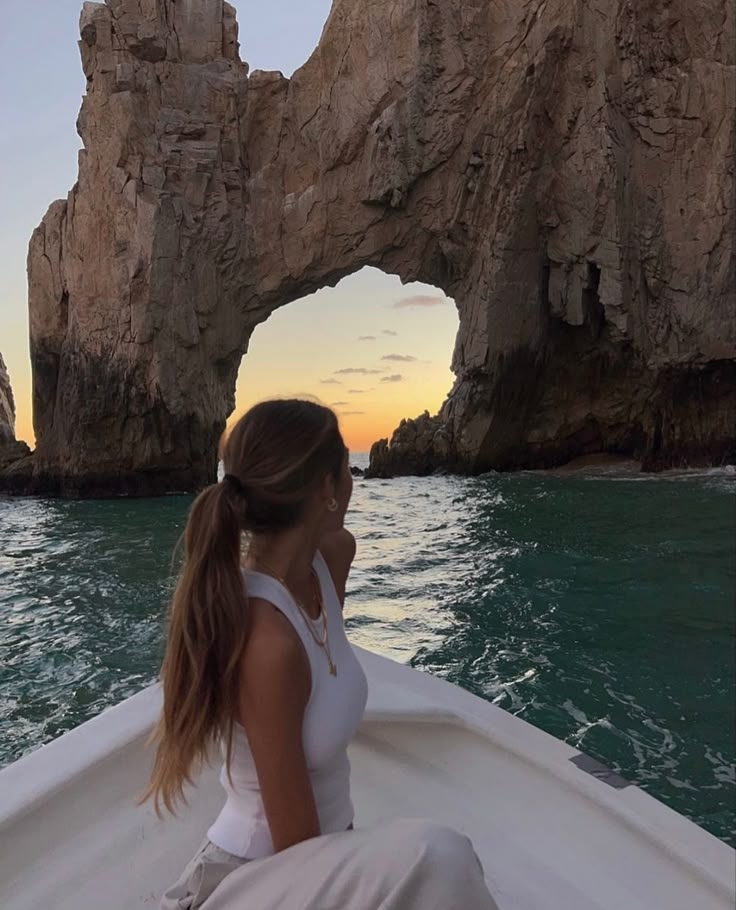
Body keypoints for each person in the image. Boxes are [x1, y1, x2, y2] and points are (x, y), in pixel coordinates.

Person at [144, 399, 499, 909]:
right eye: (344, 469)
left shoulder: (330, 562)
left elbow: (323, 664)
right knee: (442, 858)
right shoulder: (268, 644)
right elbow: (299, 851)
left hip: (326, 853)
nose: (354, 480)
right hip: (259, 876)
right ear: (328, 489)